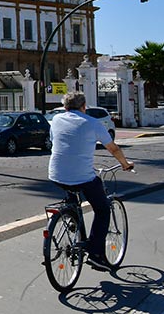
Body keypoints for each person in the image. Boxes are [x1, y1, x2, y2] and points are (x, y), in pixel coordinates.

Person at [48, 91, 134, 272]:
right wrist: (125, 164)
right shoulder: (93, 123)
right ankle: (96, 255)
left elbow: (55, 141)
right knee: (102, 210)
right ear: (84, 107)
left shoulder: (56, 120)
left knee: (70, 186)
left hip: (56, 174)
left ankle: (71, 214)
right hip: (83, 177)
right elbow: (113, 148)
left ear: (65, 107)